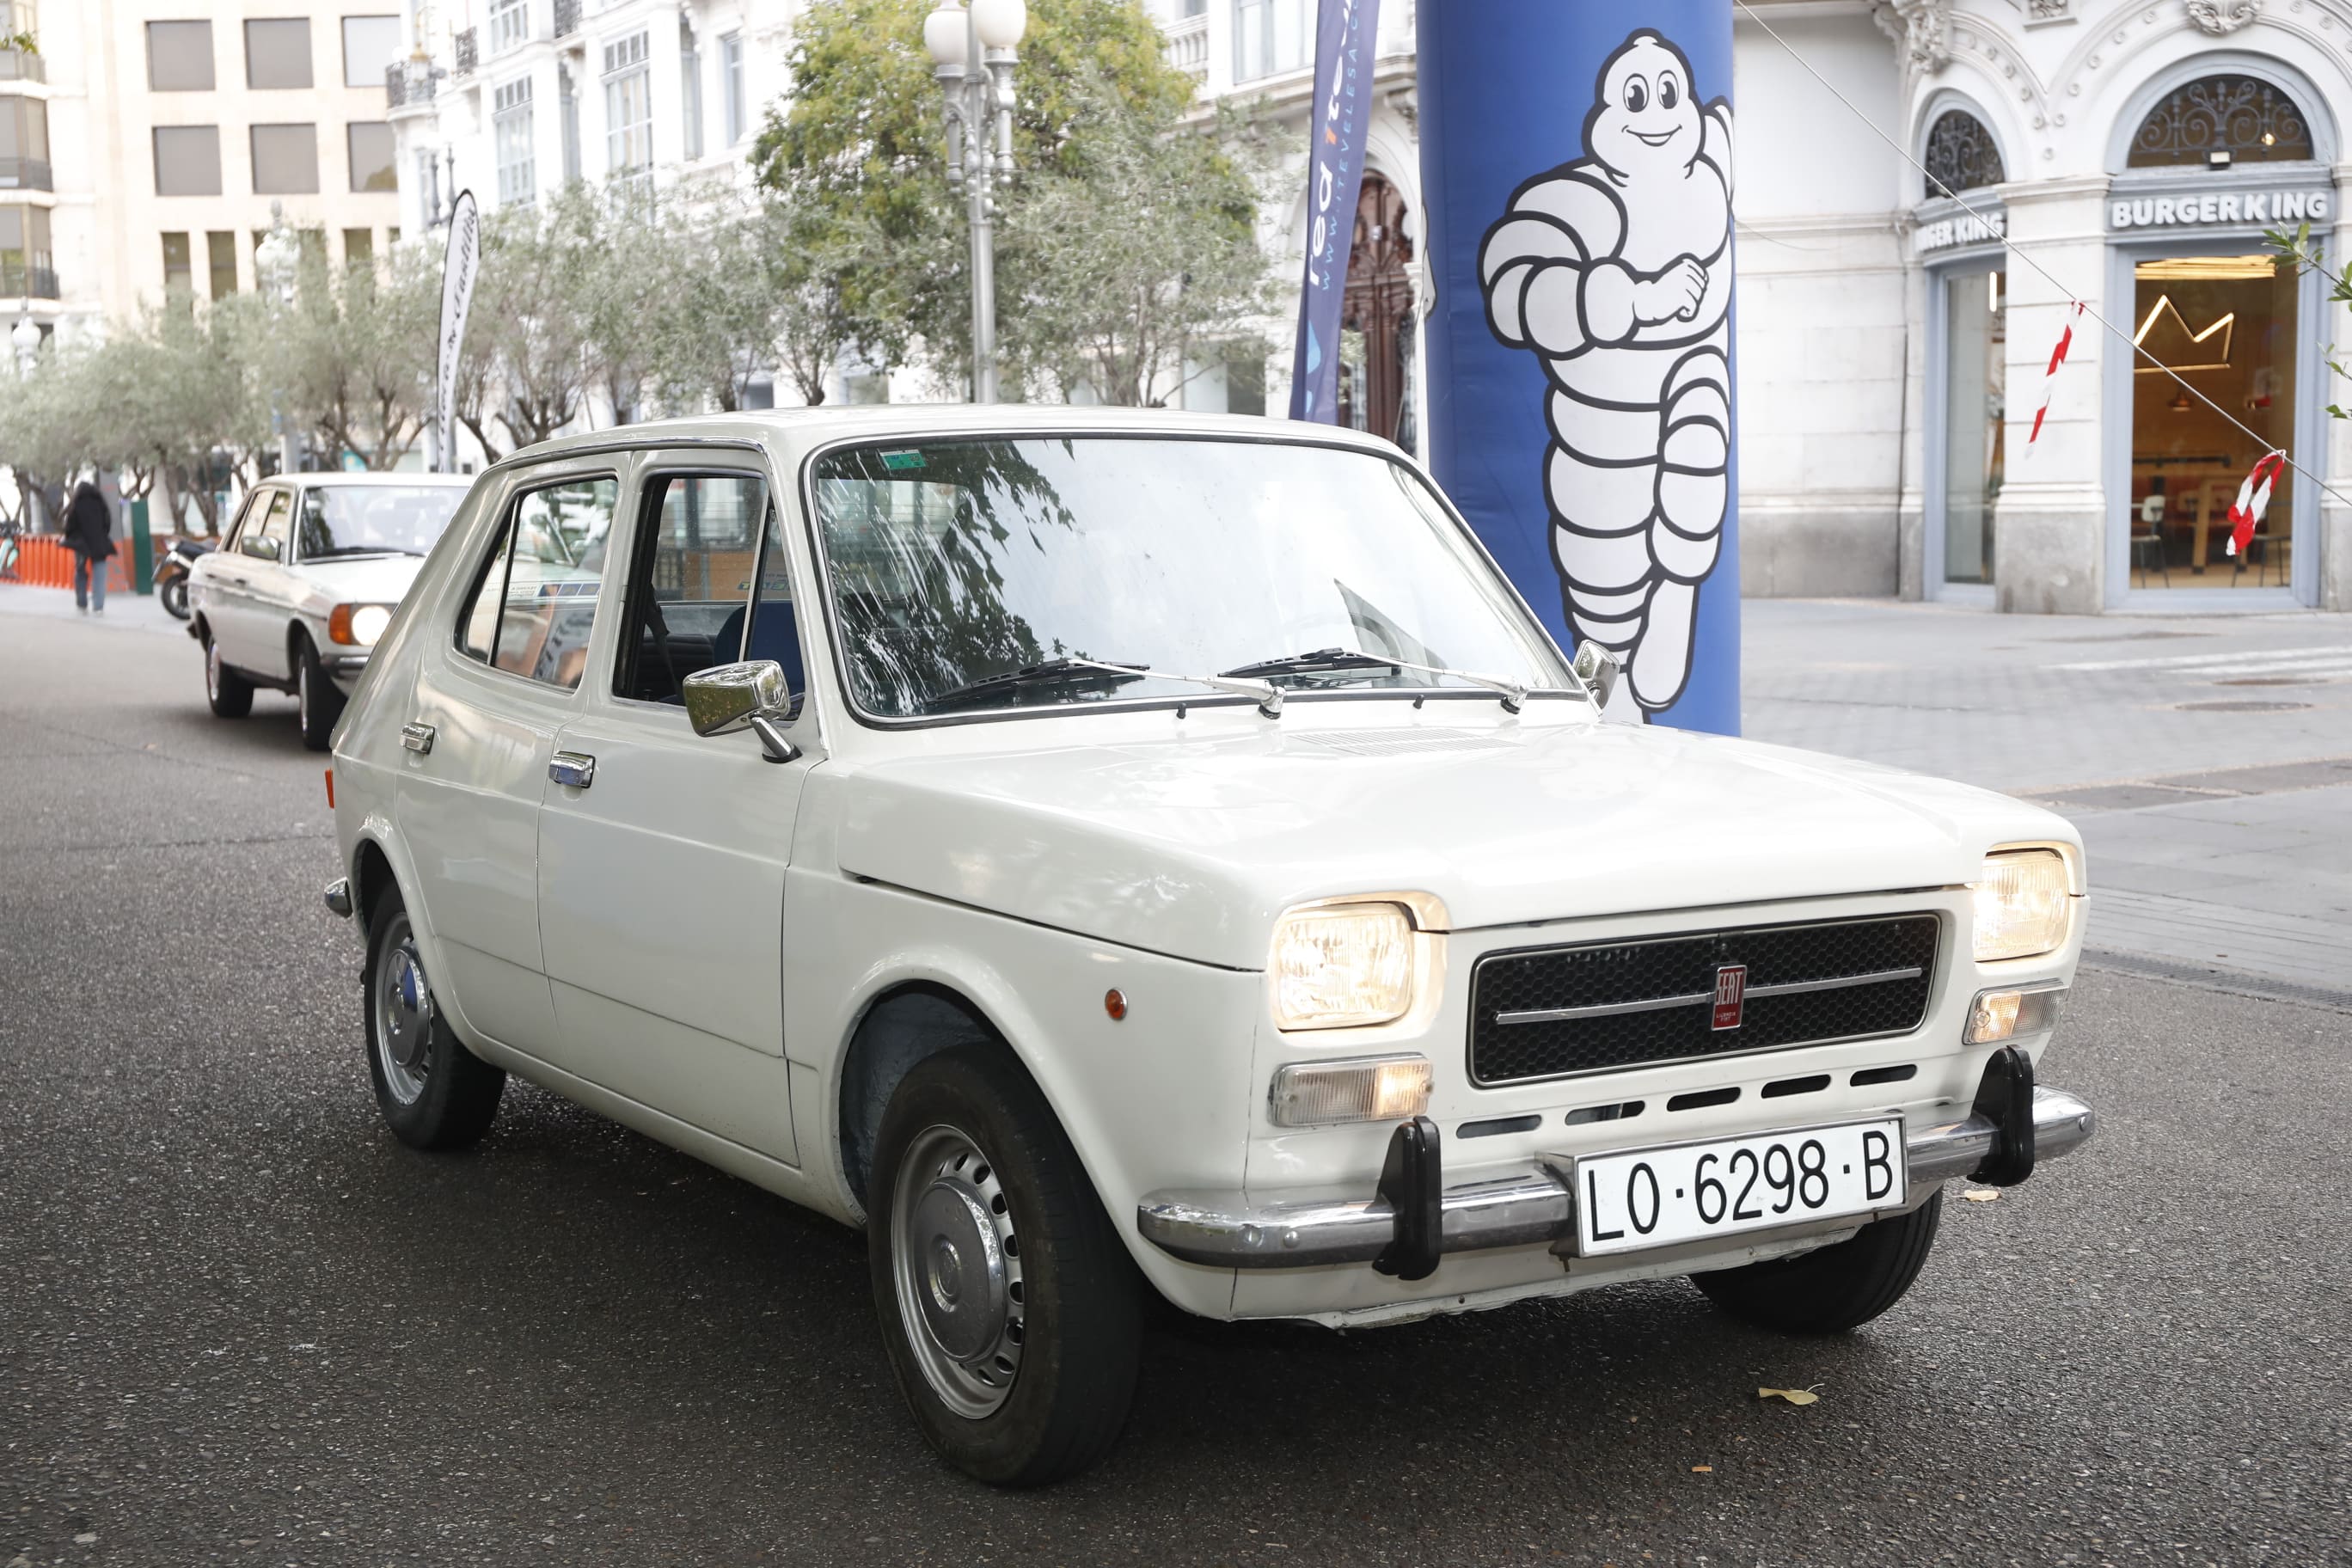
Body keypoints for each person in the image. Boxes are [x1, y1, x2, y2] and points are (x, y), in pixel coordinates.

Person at [64, 480, 113, 616]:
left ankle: (82, 603)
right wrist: (102, 535)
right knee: (100, 575)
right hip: (99, 543)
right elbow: (107, 522)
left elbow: (69, 525)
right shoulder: (100, 502)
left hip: (81, 545)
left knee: (80, 572)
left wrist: (72, 538)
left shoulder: (76, 504)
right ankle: (98, 607)